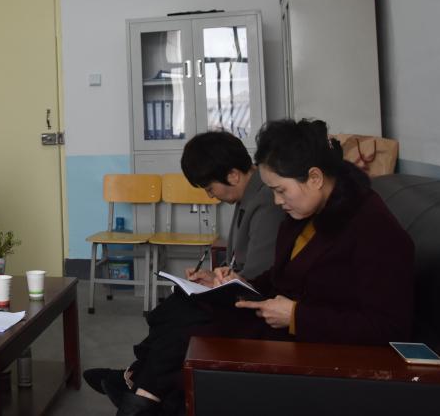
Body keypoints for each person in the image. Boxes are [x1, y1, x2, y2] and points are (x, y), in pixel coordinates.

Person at [92, 119, 414, 415]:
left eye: (280, 190)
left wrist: (296, 316)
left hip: (317, 340)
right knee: (190, 310)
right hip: (285, 320)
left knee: (194, 330)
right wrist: (238, 284)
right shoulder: (307, 212)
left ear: (315, 178)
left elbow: (388, 327)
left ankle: (141, 397)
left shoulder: (374, 229)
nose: (277, 201)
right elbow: (281, 276)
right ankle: (144, 396)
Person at [84, 131, 284, 411]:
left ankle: (141, 390)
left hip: (256, 306)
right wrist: (214, 277)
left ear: (233, 175)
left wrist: (220, 282)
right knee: (177, 305)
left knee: (180, 317)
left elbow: (257, 276)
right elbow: (242, 264)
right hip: (242, 292)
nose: (210, 195)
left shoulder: (265, 203)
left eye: (210, 188)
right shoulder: (249, 196)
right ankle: (137, 381)